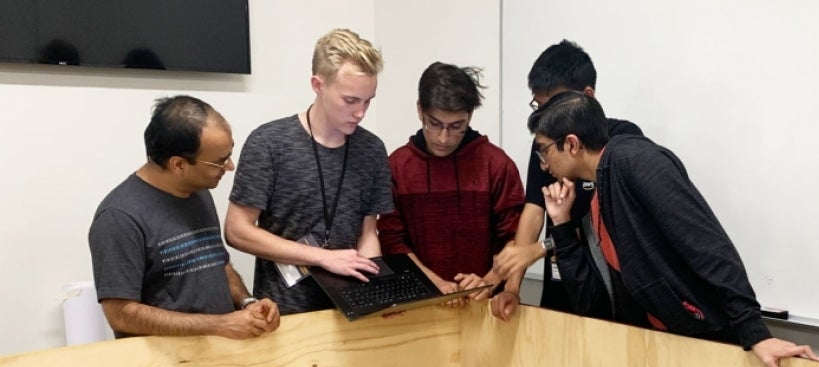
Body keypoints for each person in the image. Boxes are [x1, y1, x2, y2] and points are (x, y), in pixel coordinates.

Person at [526, 92, 819, 367]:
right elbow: (592, 301)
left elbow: (706, 244)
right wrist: (562, 225)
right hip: (664, 348)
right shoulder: (596, 199)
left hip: (709, 341)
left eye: (544, 150)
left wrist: (755, 332)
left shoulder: (636, 161)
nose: (543, 163)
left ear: (572, 144)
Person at [225, 28, 395, 315]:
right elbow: (237, 231)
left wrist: (376, 292)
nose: (361, 112)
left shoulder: (371, 149)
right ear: (318, 85)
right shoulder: (270, 143)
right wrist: (322, 258)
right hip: (285, 312)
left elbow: (368, 234)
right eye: (350, 100)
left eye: (368, 101)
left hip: (350, 308)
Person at [89, 95, 279, 339]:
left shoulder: (198, 192)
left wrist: (247, 302)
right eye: (220, 162)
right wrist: (218, 325)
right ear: (178, 165)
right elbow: (121, 314)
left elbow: (218, 262)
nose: (230, 167)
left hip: (218, 358)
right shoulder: (119, 217)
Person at [490, 40, 643, 321]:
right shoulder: (546, 144)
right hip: (562, 285)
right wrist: (513, 286)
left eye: (551, 107)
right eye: (538, 106)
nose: (542, 119)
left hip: (613, 299)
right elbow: (534, 211)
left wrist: (539, 248)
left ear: (587, 95)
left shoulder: (623, 143)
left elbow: (607, 225)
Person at [377, 62, 524, 301]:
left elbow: (516, 238)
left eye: (457, 127)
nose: (443, 138)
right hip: (419, 304)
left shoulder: (496, 165)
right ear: (419, 110)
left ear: (470, 116)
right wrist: (434, 283)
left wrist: (487, 282)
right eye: (434, 124)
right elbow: (392, 241)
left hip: (485, 306)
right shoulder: (397, 166)